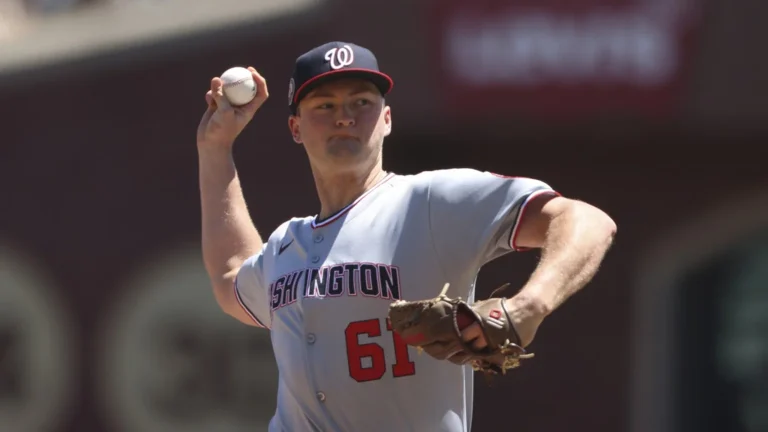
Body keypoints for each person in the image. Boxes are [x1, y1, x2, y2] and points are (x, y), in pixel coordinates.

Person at [196, 41, 617, 432]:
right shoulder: (287, 244)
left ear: (387, 119)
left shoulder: (430, 200)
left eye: (361, 102)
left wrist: (529, 306)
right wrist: (215, 147)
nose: (344, 115)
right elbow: (231, 278)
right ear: (295, 128)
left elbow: (587, 219)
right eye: (324, 105)